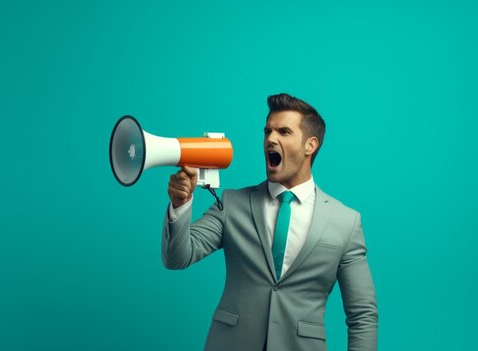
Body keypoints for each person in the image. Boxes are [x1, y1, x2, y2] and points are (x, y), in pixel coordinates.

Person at [162, 93, 378, 351]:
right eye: (267, 132)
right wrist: (180, 204)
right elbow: (177, 258)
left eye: (284, 132)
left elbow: (362, 315)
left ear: (310, 145)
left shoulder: (346, 222)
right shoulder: (232, 203)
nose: (270, 139)